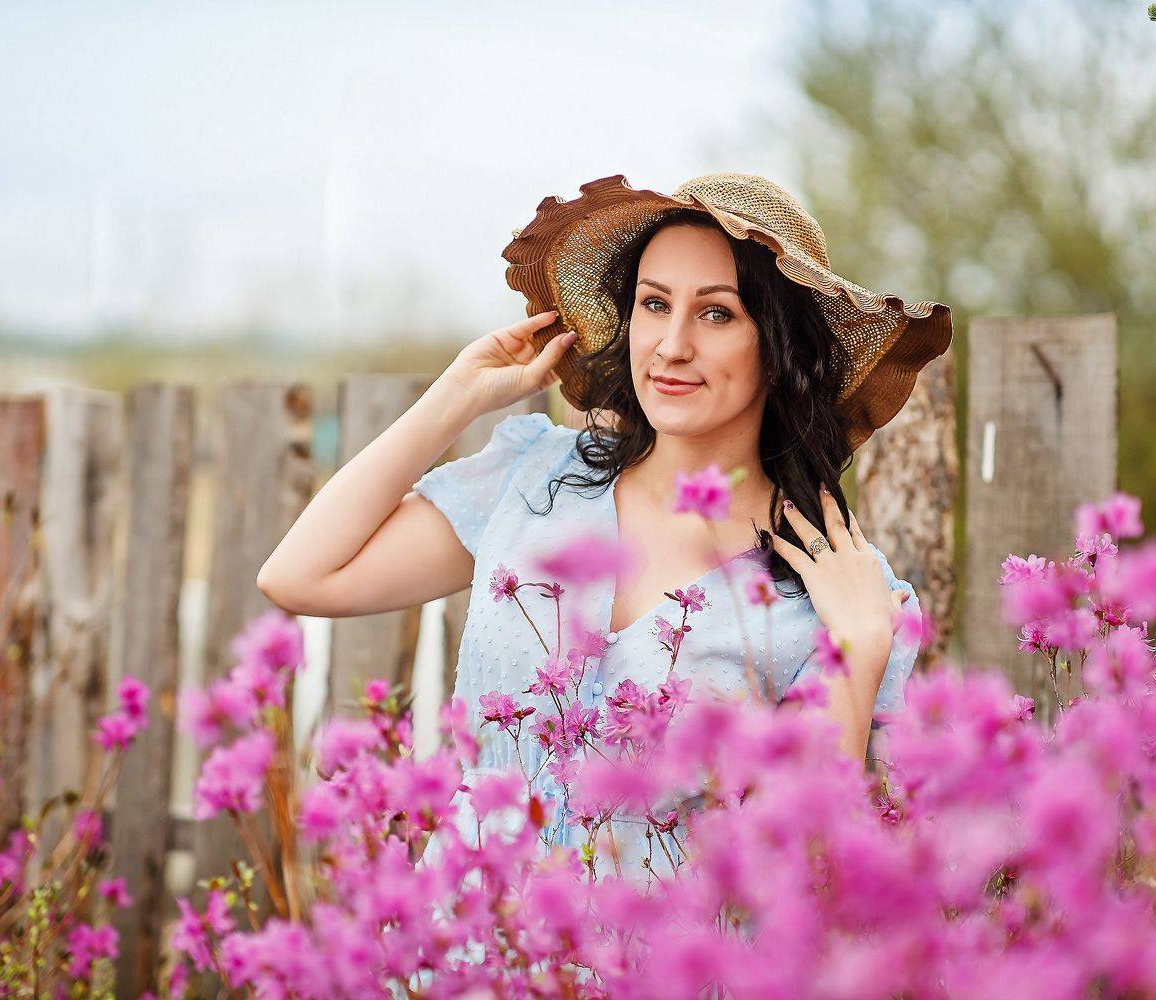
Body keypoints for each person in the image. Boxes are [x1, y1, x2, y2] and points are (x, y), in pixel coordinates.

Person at [258, 172, 952, 871]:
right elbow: (301, 576)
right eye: (655, 304)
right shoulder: (535, 481)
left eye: (717, 314)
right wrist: (457, 395)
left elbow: (805, 872)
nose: (671, 345)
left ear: (780, 346)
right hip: (467, 932)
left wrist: (858, 647)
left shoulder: (835, 593)